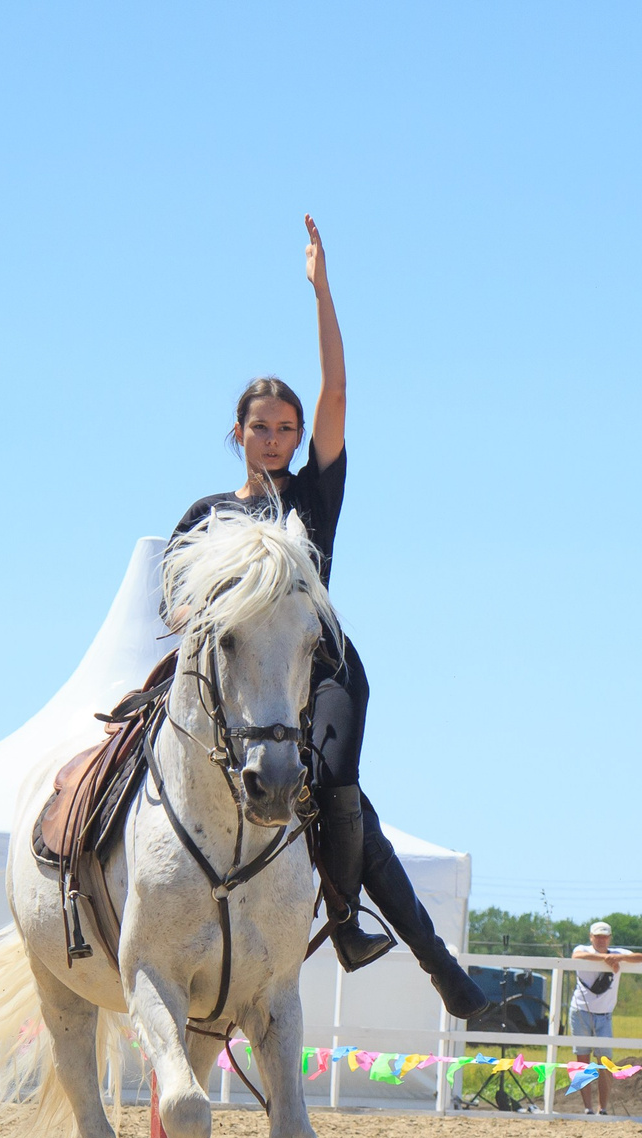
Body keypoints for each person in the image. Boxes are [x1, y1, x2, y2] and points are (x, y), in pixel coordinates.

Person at [167, 216, 487, 1020]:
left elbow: (340, 390)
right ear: (235, 433)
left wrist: (323, 291)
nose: (273, 438)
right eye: (260, 427)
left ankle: (344, 916)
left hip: (322, 668)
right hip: (232, 676)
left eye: (286, 428)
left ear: (300, 436)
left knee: (334, 783)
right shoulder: (205, 515)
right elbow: (171, 605)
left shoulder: (315, 494)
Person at [568, 923, 642, 1115]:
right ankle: (587, 1107)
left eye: (604, 937)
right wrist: (606, 960)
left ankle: (602, 1107)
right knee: (582, 1060)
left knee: (605, 1061)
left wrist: (615, 958)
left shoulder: (618, 952)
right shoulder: (583, 949)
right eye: (598, 937)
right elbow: (576, 956)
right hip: (581, 1011)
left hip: (604, 1014)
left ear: (610, 938)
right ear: (591, 937)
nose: (601, 940)